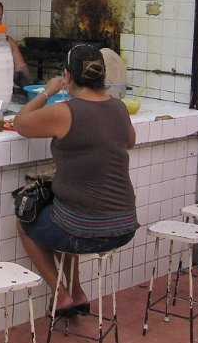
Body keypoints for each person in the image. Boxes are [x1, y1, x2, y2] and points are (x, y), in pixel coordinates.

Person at [13, 44, 138, 316]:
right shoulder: (118, 107)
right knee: (63, 214)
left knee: (26, 222)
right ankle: (77, 292)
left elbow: (20, 122)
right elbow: (130, 140)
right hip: (125, 225)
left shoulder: (65, 112)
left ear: (68, 76)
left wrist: (47, 91)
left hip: (87, 230)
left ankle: (61, 295)